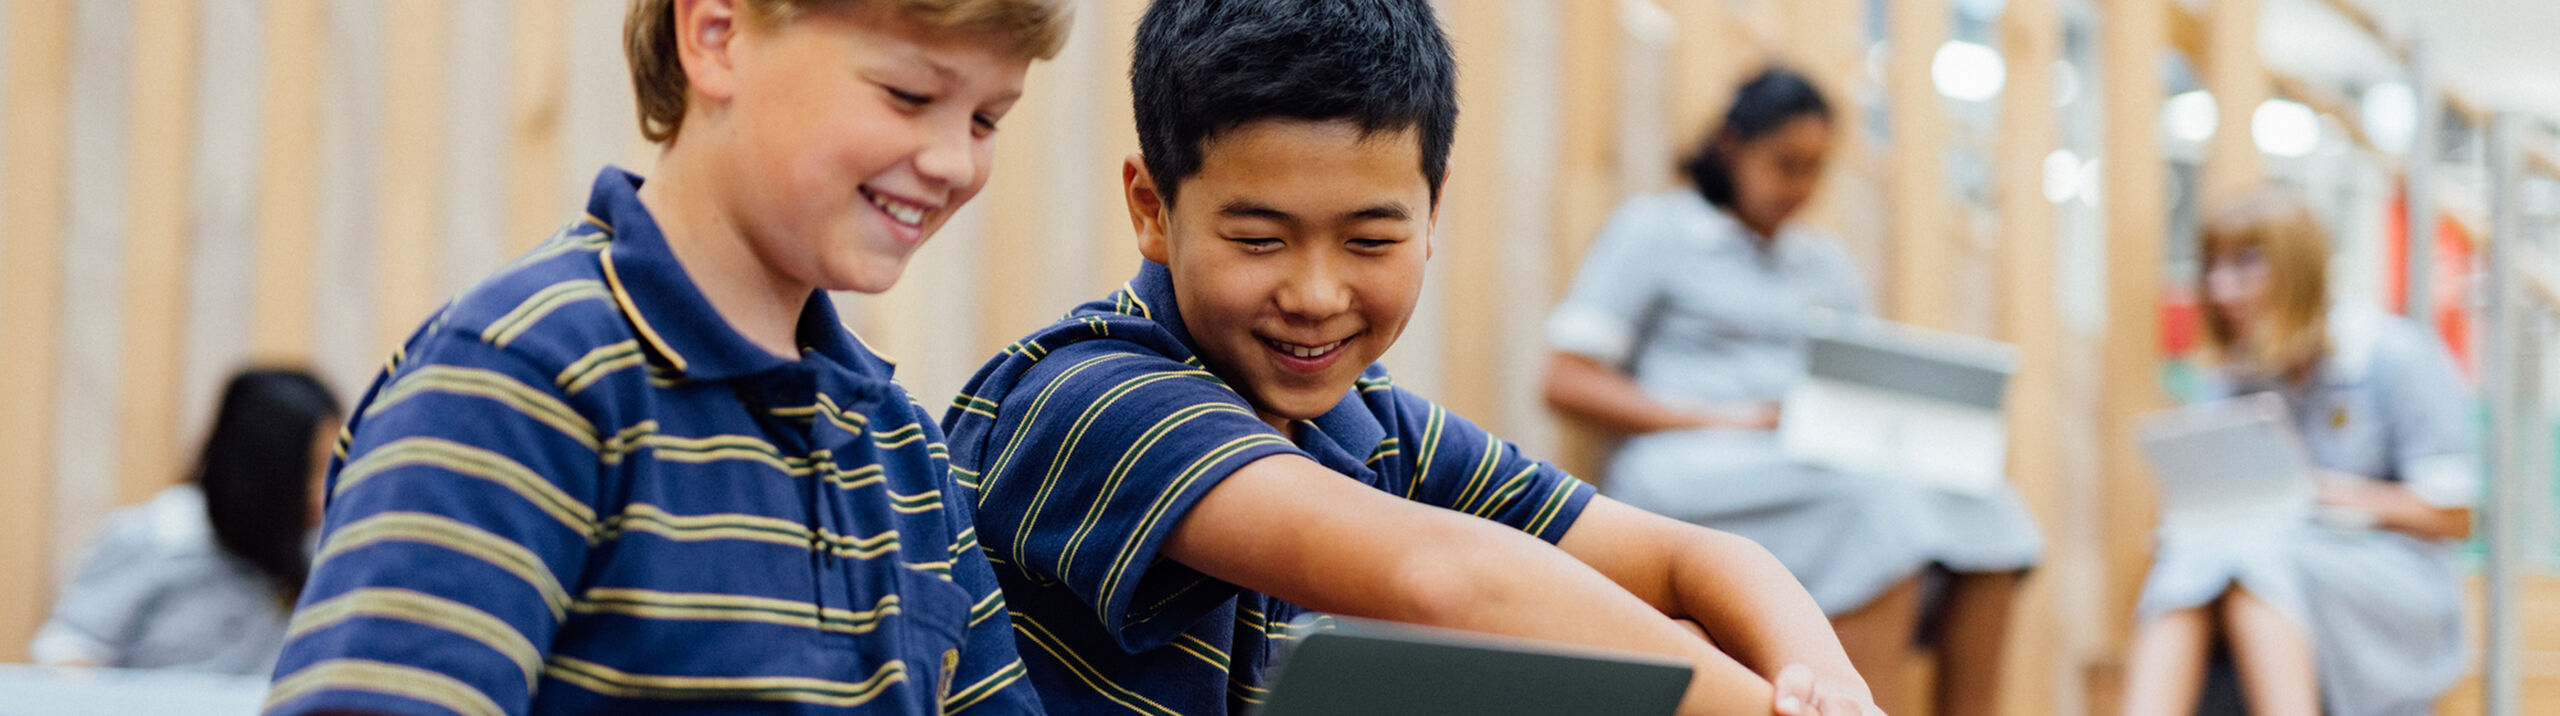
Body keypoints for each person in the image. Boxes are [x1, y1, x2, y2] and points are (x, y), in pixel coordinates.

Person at [942, 2, 1877, 715]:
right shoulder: (1086, 394)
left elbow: (1700, 557)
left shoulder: (1368, 422)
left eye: (1369, 241)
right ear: (1152, 208)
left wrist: (1827, 692)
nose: (1315, 293)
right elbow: (1444, 576)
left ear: (1432, 214)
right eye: (1260, 239)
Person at [262, 1, 1068, 713]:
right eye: (910, 96)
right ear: (716, 35)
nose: (955, 163)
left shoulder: (902, 446)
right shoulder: (522, 377)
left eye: (986, 120)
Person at [1539, 67, 2044, 716]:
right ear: (1730, 147)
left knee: (1992, 507)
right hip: (1688, 462)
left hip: (1805, 459)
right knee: (1876, 509)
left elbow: (1853, 384)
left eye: (1814, 169)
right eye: (1784, 164)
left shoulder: (1824, 263)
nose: (1800, 187)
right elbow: (1566, 380)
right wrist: (1721, 418)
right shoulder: (1655, 233)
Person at [2118, 189, 2474, 716]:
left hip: (2390, 577)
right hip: (2266, 558)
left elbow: (2453, 514)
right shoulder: (2231, 378)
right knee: (2189, 562)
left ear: (2298, 270)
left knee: (2254, 568)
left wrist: (2317, 494)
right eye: (2213, 268)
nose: (2221, 289)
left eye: (2245, 266)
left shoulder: (2395, 355)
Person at [30, 369, 340, 676]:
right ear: (260, 471)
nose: (327, 487)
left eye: (337, 464)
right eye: (312, 469)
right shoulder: (158, 536)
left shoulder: (321, 553)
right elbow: (69, 649)